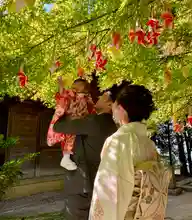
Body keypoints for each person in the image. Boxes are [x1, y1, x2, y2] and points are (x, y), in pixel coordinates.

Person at [89, 84, 172, 220]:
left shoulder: (119, 141)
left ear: (121, 110)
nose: (113, 112)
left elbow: (109, 192)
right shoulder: (148, 143)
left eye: (114, 107)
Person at [53, 81, 130, 220]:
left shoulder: (94, 121)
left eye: (103, 97)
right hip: (98, 183)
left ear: (110, 105)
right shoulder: (113, 127)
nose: (98, 97)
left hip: (82, 184)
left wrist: (63, 106)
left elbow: (58, 127)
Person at [47, 77, 95, 171]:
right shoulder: (70, 95)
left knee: (73, 138)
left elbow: (91, 108)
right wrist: (61, 85)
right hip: (71, 121)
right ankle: (66, 158)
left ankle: (66, 158)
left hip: (80, 121)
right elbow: (62, 96)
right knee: (70, 138)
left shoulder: (86, 97)